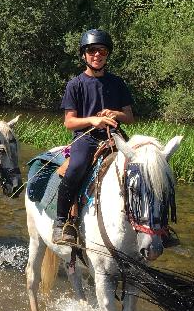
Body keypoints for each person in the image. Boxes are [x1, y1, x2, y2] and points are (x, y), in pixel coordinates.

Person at [52, 29, 134, 246]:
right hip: (85, 138)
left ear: (107, 55)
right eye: (92, 50)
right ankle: (61, 222)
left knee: (138, 168)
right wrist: (93, 120)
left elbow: (130, 117)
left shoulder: (117, 83)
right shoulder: (75, 84)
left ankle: (150, 224)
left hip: (113, 135)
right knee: (76, 168)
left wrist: (115, 114)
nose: (97, 55)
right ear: (84, 54)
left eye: (102, 51)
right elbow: (69, 122)